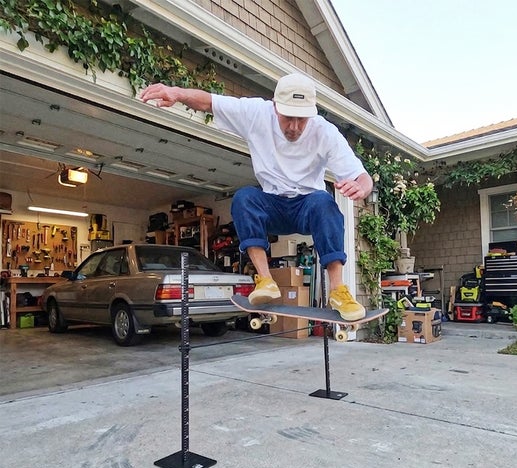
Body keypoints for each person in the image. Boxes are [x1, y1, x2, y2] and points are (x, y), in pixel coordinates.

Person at [140, 73, 373, 321]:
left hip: (307, 207)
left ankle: (338, 290)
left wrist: (361, 187)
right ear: (275, 106)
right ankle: (265, 280)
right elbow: (209, 102)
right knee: (245, 197)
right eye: (288, 118)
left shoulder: (325, 132)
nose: (294, 127)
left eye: (301, 120)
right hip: (271, 206)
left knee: (325, 202)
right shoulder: (256, 113)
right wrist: (177, 93)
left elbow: (362, 177)